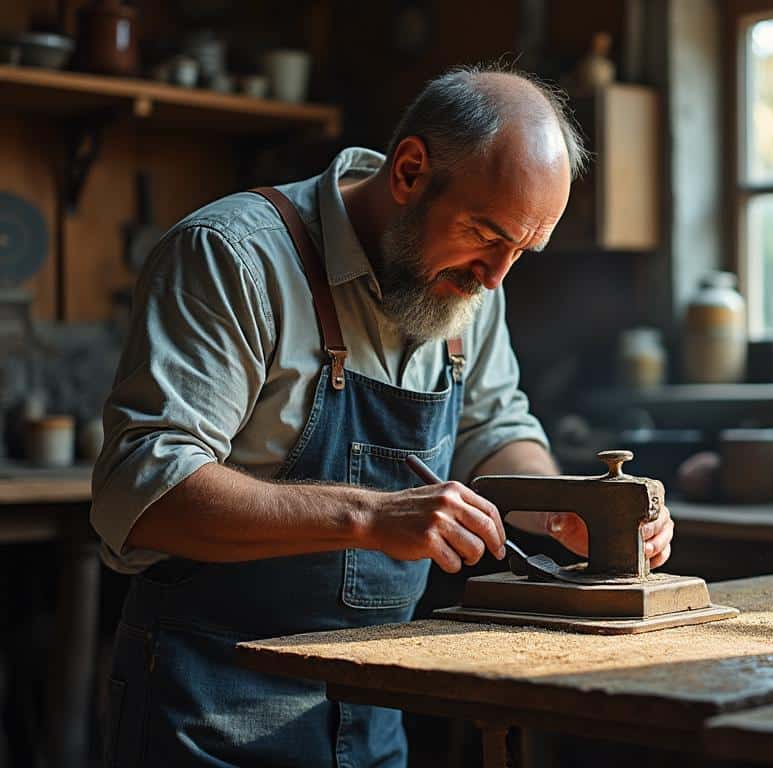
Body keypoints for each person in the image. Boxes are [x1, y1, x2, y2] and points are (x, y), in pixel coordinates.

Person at [91, 65, 675, 767]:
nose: (496, 277)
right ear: (409, 171)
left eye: (522, 250)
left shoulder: (473, 285)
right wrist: (369, 517)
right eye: (487, 234)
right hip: (209, 708)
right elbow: (142, 489)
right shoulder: (234, 257)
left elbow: (493, 432)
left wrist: (562, 509)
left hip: (370, 710)